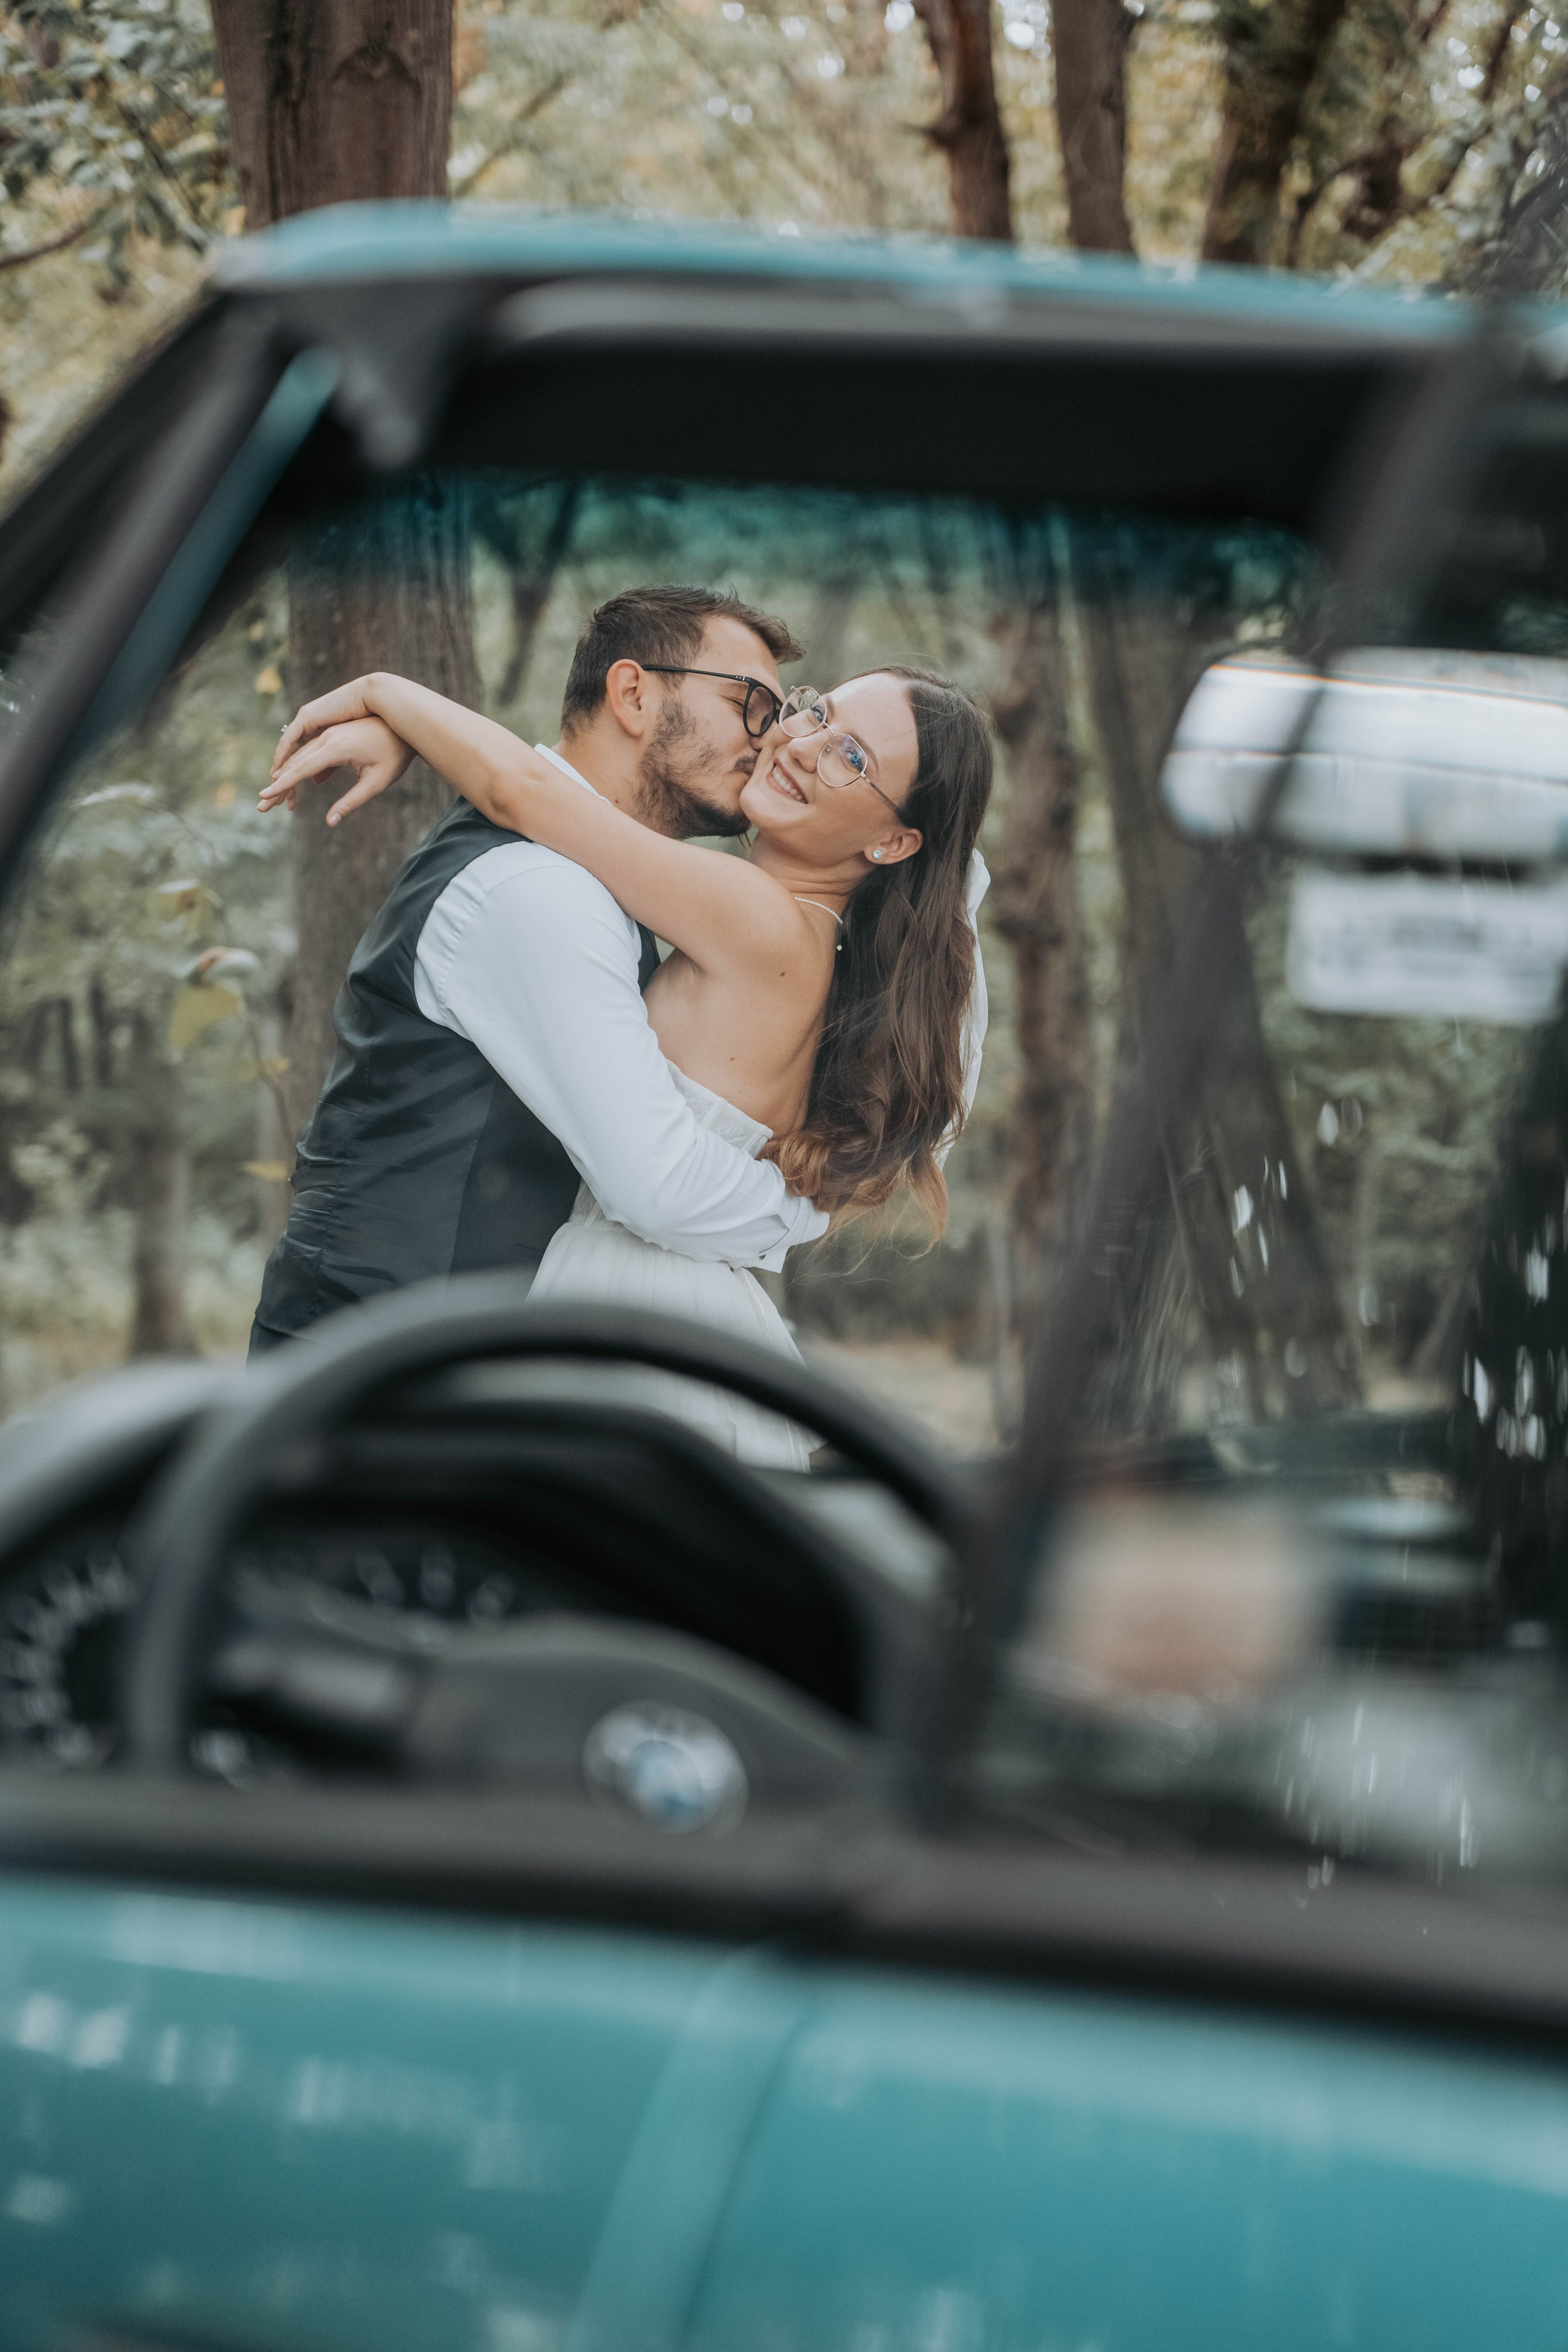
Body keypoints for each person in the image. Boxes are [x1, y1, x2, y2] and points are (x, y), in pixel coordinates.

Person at [263, 655, 995, 1467]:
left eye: (851, 758)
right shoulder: (812, 948)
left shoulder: (759, 917)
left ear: (893, 841)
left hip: (632, 1298)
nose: (799, 744)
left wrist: (385, 693)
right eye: (818, 713)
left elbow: (527, 794)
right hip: (683, 1304)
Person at [246, 588, 832, 1370]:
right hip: (378, 1372)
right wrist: (807, 1206)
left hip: (427, 1361)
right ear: (632, 694)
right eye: (749, 705)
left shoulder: (584, 881)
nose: (769, 739)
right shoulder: (542, 891)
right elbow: (658, 1186)